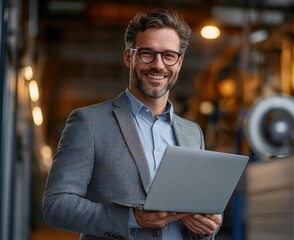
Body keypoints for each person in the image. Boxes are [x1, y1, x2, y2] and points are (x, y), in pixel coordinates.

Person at [42, 8, 222, 240]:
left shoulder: (192, 133)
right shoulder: (89, 123)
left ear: (179, 62)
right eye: (147, 53)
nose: (158, 65)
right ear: (129, 57)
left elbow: (199, 206)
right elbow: (56, 205)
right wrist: (131, 218)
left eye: (169, 55)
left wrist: (209, 226)